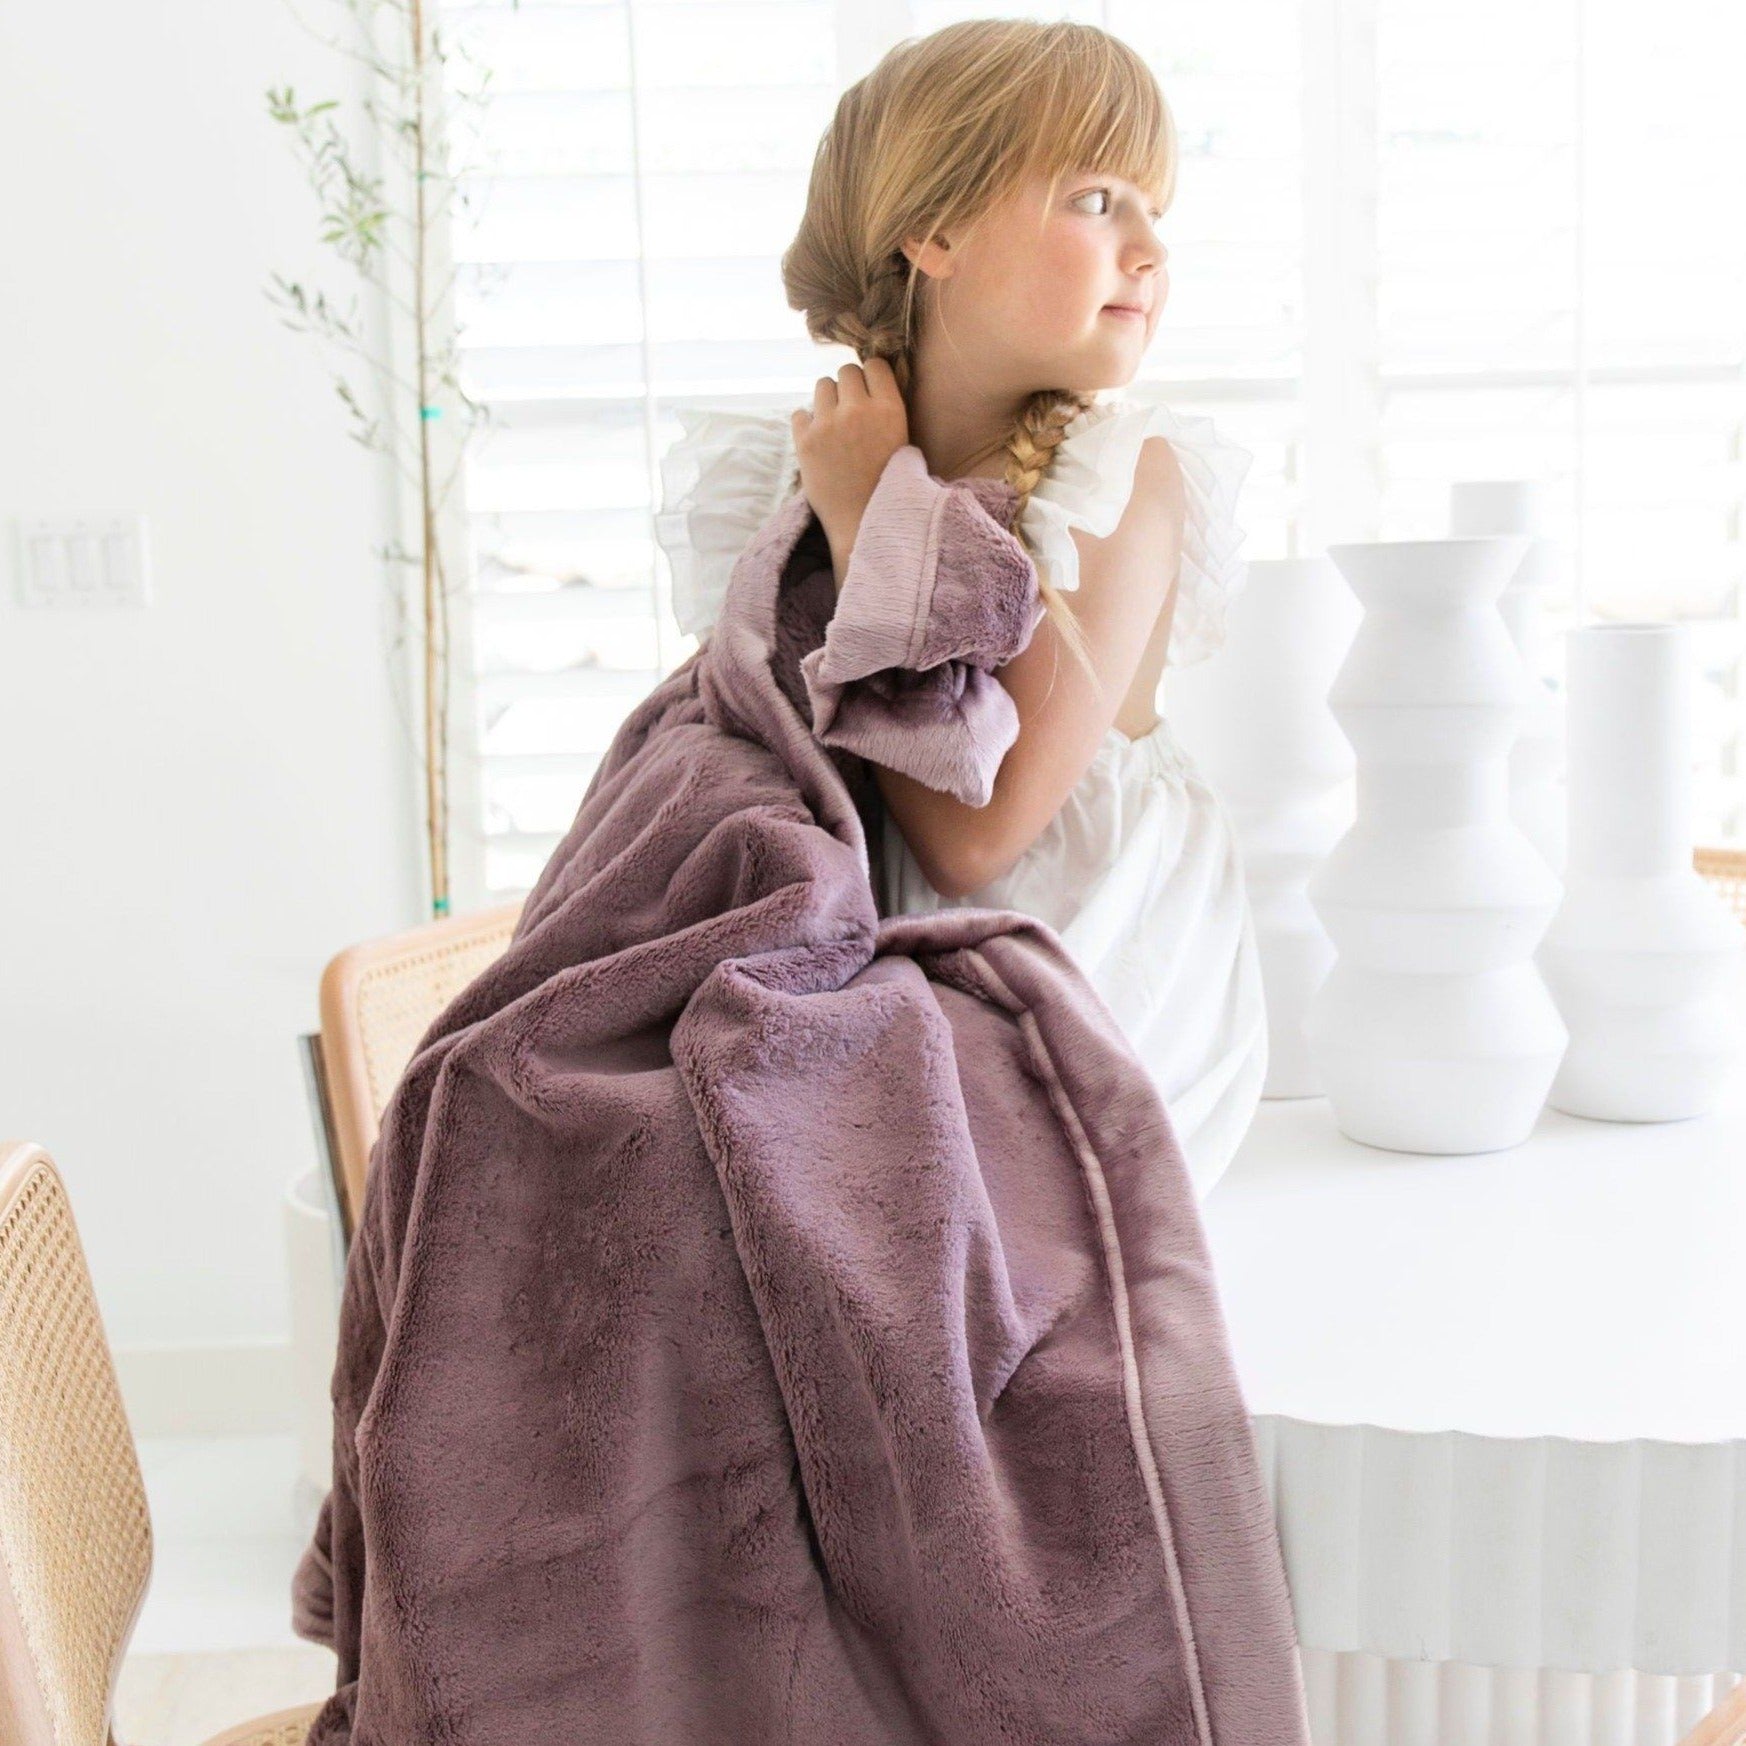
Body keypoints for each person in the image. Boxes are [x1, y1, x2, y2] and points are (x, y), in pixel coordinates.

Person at [655, 17, 1265, 1202]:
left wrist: (867, 524)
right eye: (1097, 200)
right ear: (934, 231)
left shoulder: (1121, 476)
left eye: (1155, 211)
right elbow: (757, 757)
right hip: (862, 948)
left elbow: (972, 839)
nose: (1147, 251)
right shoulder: (806, 470)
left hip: (1082, 965)